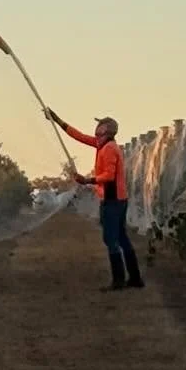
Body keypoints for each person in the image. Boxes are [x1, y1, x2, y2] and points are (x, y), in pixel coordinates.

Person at [44, 109, 144, 291]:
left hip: (113, 200)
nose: (96, 128)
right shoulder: (102, 145)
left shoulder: (109, 149)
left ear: (107, 130)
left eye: (100, 125)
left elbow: (109, 175)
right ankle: (135, 277)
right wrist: (58, 120)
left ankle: (119, 280)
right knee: (121, 238)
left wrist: (88, 180)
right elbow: (79, 136)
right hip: (118, 199)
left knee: (111, 239)